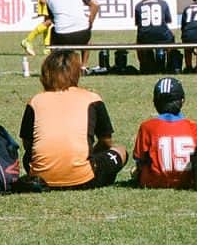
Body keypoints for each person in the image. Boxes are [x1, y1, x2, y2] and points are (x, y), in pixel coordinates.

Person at [19, 51, 128, 189]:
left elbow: (28, 143)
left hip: (41, 179)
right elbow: (106, 141)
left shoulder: (35, 101)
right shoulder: (92, 98)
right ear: (76, 72)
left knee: (29, 157)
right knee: (121, 150)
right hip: (84, 179)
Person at [132, 77, 197, 189]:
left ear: (155, 102)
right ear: (182, 100)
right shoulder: (193, 126)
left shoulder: (147, 126)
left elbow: (139, 158)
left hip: (154, 181)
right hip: (187, 181)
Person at [43, 0, 100, 71]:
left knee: (52, 32)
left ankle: (55, 66)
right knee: (87, 38)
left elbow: (51, 20)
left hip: (62, 36)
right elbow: (95, 5)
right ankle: (83, 66)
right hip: (82, 34)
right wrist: (90, 22)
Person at [135, 0, 176, 74]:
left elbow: (138, 24)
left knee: (139, 40)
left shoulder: (138, 6)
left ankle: (144, 64)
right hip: (163, 37)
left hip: (145, 38)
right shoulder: (163, 3)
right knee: (172, 37)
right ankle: (170, 63)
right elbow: (167, 21)